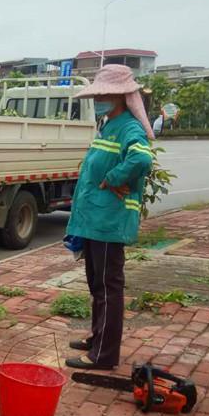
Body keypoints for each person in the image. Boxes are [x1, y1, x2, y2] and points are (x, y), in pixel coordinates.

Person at [64, 64, 155, 370]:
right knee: (97, 286)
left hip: (108, 221)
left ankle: (103, 355)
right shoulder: (109, 125)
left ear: (120, 96)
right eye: (98, 92)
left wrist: (115, 177)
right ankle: (97, 337)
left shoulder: (129, 127)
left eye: (104, 93)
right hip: (95, 219)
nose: (99, 97)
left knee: (107, 287)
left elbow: (142, 157)